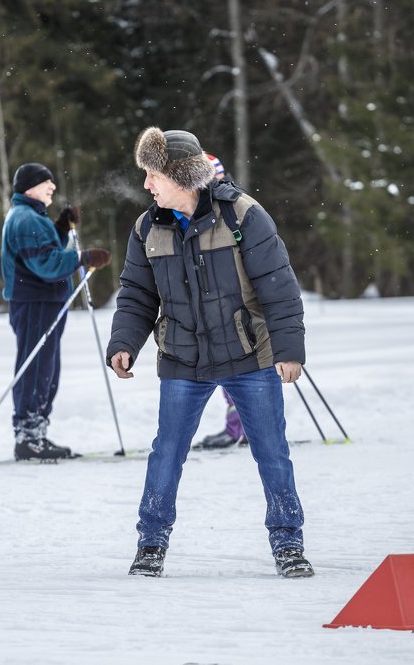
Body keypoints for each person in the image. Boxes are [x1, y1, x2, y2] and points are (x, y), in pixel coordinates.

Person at [106, 127, 314, 578]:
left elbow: (279, 286)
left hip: (248, 355)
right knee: (167, 452)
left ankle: (288, 544)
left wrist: (289, 349)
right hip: (183, 359)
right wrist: (125, 343)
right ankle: (151, 544)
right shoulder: (147, 228)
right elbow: (137, 295)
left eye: (152, 175)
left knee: (272, 452)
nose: (146, 185)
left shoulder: (242, 215)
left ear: (181, 176)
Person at [1, 162, 111, 461]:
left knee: (45, 368)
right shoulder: (26, 218)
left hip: (40, 302)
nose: (52, 187)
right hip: (36, 302)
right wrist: (83, 257)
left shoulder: (32, 217)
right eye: (46, 182)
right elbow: (46, 264)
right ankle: (28, 436)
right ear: (30, 187)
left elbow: (46, 250)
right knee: (37, 367)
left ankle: (35, 433)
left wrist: (61, 227)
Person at [194, 152, 247, 450]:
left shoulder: (229, 206)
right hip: (213, 299)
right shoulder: (205, 207)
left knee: (236, 368)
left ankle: (239, 429)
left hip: (234, 299)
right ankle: (240, 427)